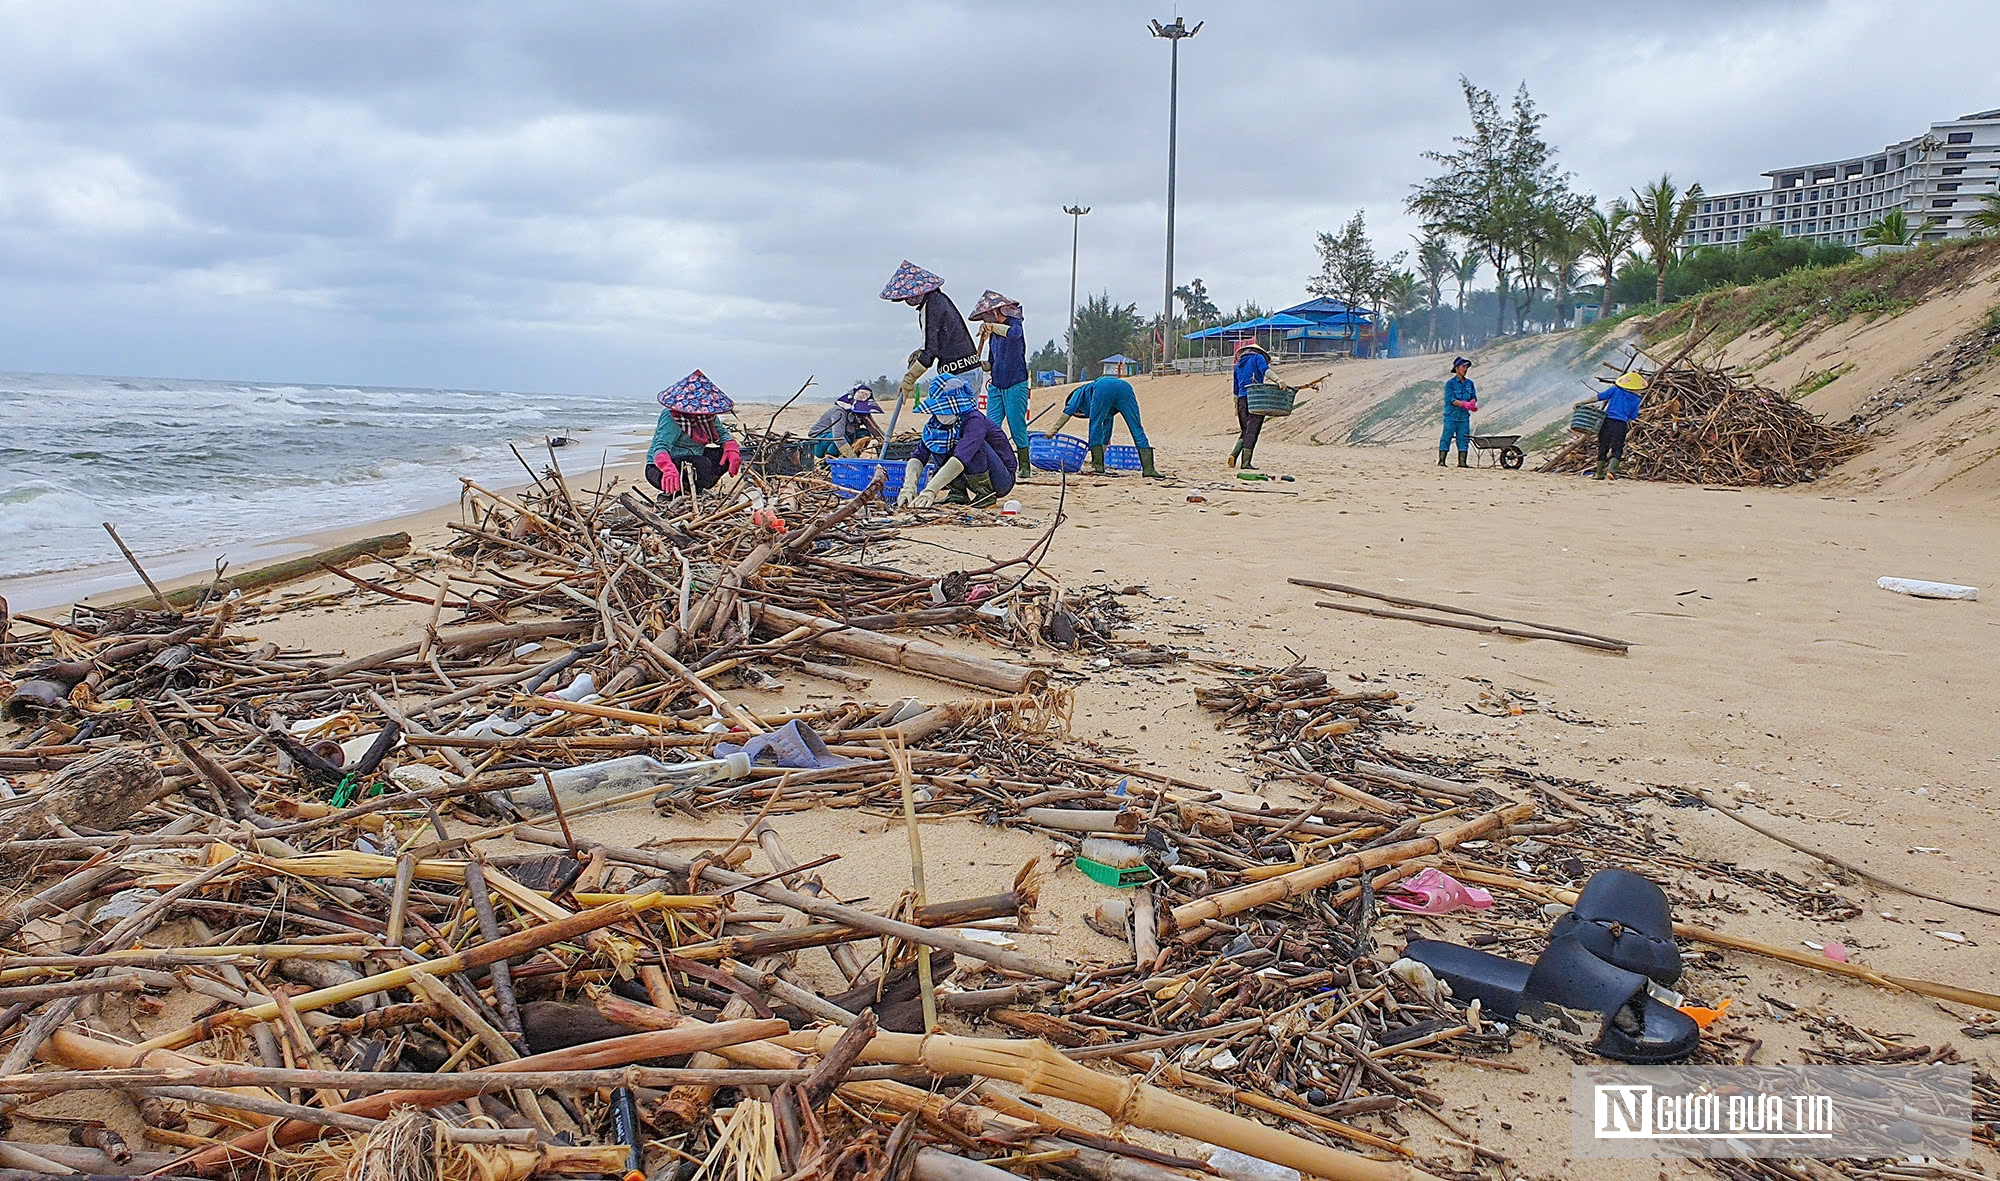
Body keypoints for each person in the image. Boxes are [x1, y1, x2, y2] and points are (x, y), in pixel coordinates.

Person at [880, 260, 983, 416]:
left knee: (948, 422)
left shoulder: (930, 306)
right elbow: (942, 338)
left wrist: (910, 378)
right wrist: (920, 351)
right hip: (972, 369)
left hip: (958, 374)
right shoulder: (941, 300)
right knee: (969, 421)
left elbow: (931, 351)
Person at [896, 377, 1016, 508]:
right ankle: (958, 493)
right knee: (936, 441)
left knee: (973, 445)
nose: (942, 414)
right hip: (967, 472)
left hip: (1000, 479)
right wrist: (909, 487)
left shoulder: (974, 420)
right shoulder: (935, 425)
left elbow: (962, 456)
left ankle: (985, 494)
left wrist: (930, 490)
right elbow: (919, 456)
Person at [1045, 375, 1162, 478]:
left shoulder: (1078, 393)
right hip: (1125, 387)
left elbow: (1069, 410)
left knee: (1095, 424)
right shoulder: (1105, 409)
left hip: (1102, 387)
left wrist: (1054, 430)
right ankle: (1149, 469)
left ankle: (1098, 467)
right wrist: (1103, 449)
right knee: (1136, 427)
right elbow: (1107, 431)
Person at [648, 370, 741, 495]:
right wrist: (667, 468)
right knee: (701, 464)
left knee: (720, 457)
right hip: (661, 468)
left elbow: (722, 434)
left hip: (695, 459)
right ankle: (679, 490)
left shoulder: (707, 416)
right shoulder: (671, 416)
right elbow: (661, 447)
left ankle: (696, 489)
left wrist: (731, 448)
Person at [971, 290, 1032, 479]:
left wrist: (992, 328)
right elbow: (992, 362)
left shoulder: (1014, 324)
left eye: (988, 316)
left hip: (1016, 383)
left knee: (1017, 426)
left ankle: (1024, 465)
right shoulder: (994, 337)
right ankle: (995, 463)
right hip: (997, 384)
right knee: (991, 424)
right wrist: (980, 364)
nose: (987, 320)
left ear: (999, 312)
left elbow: (1014, 335)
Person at [1593, 370, 1648, 480]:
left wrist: (1581, 403)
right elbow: (1633, 416)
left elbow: (1599, 397)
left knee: (1603, 445)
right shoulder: (1636, 399)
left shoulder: (1615, 390)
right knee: (1617, 448)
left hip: (1607, 421)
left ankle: (1599, 473)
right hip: (1621, 424)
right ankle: (1611, 471)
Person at [809, 384, 884, 460]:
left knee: (864, 434)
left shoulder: (862, 413)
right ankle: (827, 462)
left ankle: (850, 455)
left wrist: (886, 440)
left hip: (844, 437)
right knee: (842, 439)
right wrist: (852, 458)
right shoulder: (839, 412)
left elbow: (874, 428)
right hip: (820, 443)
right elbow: (838, 437)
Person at [1230, 339, 1271, 470]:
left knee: (1245, 430)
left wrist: (1236, 408)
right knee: (1252, 430)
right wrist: (1279, 380)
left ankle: (1234, 455)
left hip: (1242, 400)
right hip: (1255, 398)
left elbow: (1235, 390)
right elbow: (1265, 371)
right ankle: (1246, 462)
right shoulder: (1257, 358)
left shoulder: (1238, 366)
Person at [1440, 356, 1477, 468]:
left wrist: (1471, 403)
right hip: (1451, 416)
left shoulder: (1470, 383)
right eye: (1463, 366)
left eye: (1466, 367)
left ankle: (1462, 462)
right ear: (1457, 368)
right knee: (1446, 437)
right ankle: (1442, 461)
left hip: (1464, 417)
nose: (1465, 369)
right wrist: (1463, 404)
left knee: (1463, 439)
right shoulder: (1450, 384)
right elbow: (1450, 399)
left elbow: (1474, 396)